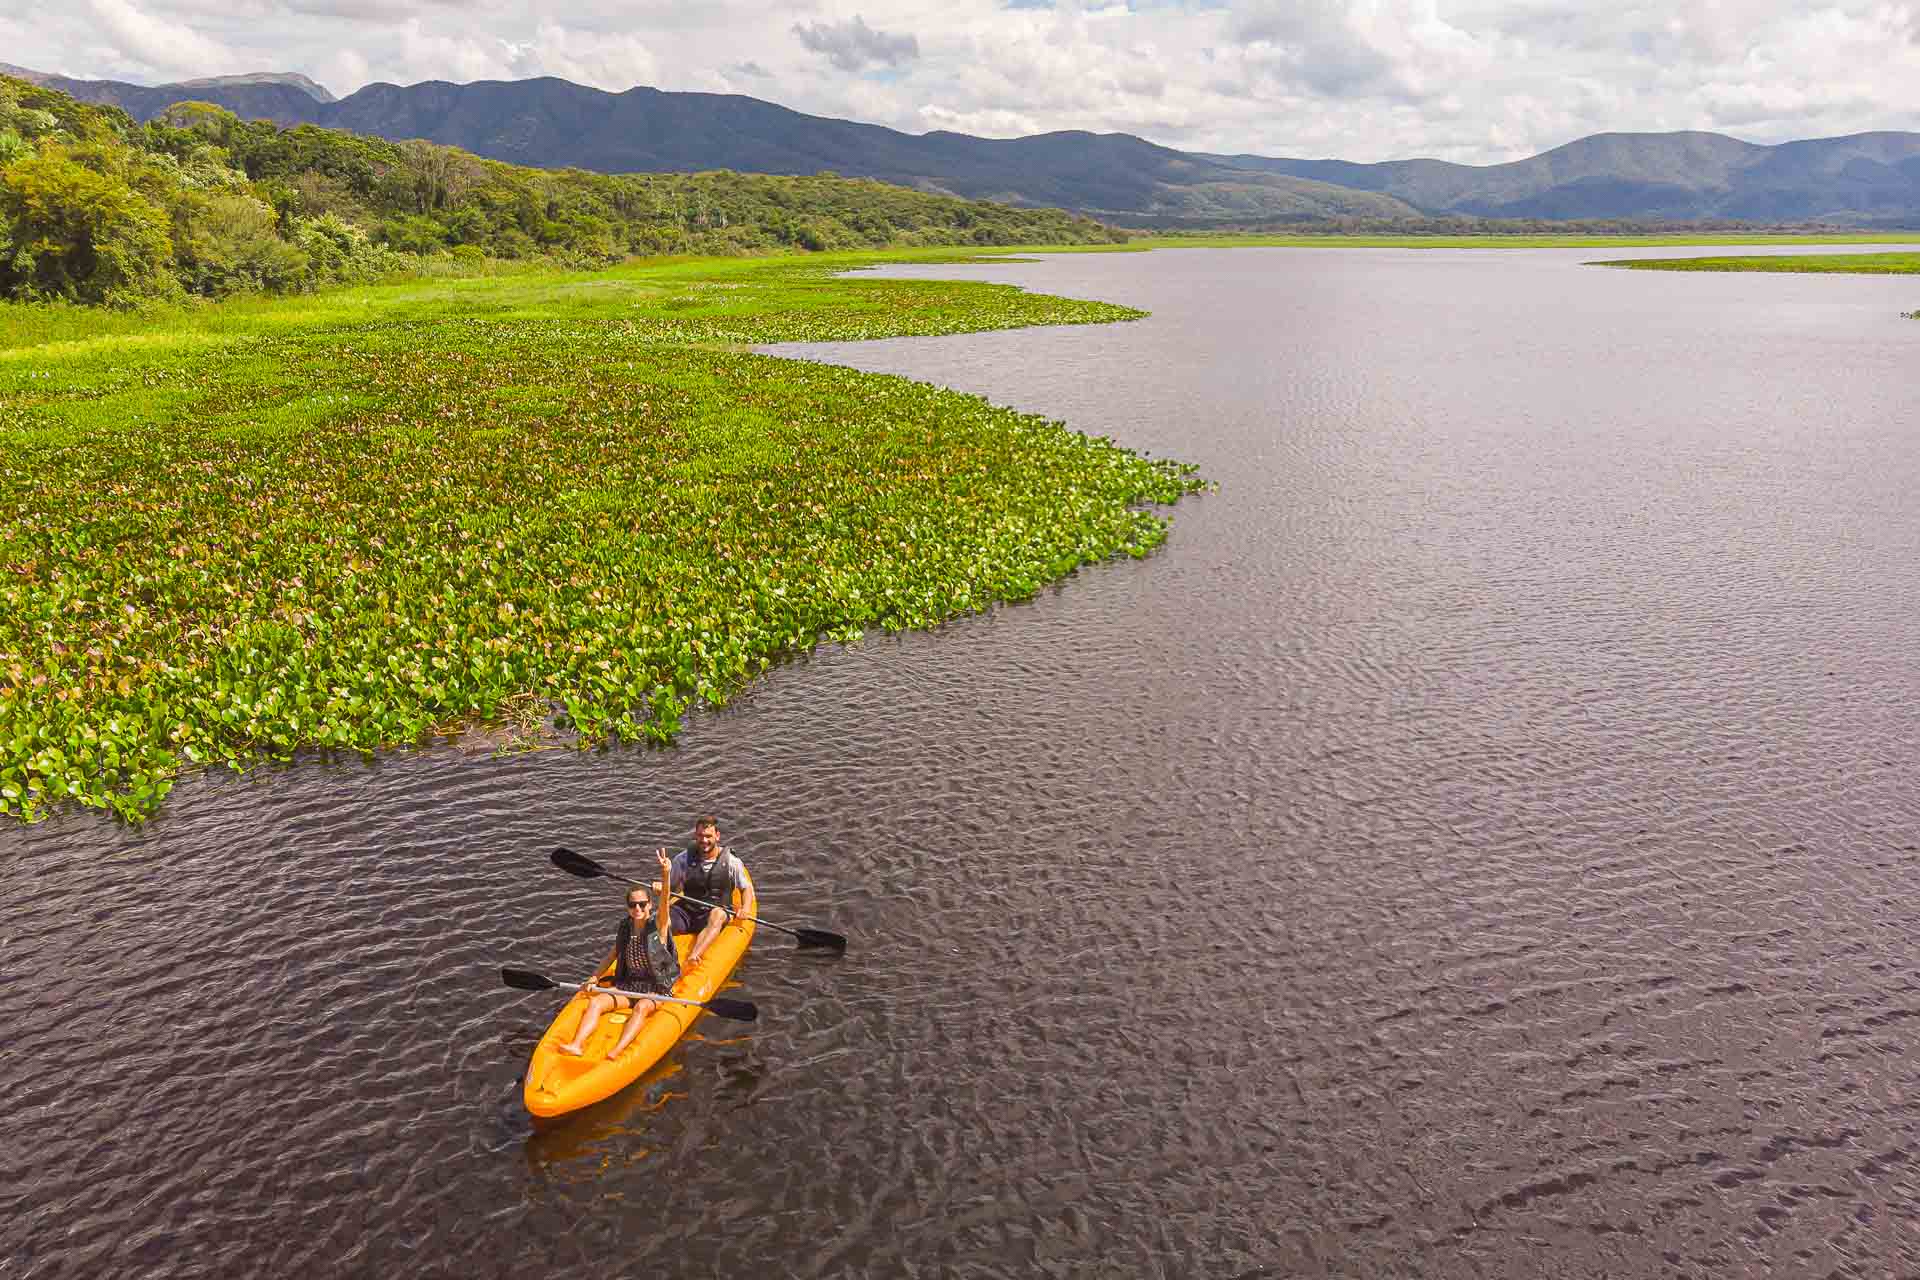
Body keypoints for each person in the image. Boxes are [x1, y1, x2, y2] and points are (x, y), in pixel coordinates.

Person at [556, 848, 680, 1061]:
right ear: (628, 908)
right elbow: (612, 954)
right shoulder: (625, 927)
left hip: (656, 988)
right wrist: (594, 976)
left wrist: (666, 873)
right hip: (628, 986)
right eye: (633, 905)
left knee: (641, 1008)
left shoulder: (658, 925)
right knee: (595, 1003)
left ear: (650, 905)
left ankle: (618, 1050)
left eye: (642, 904)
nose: (638, 908)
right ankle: (577, 1044)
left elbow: (665, 901)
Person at [667, 814, 757, 971]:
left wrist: (746, 908)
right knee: (662, 919)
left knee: (718, 914)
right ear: (695, 836)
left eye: (708, 836)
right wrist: (662, 889)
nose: (704, 840)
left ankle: (694, 956)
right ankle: (650, 955)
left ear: (717, 836)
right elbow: (671, 888)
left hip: (716, 910)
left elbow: (746, 888)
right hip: (688, 909)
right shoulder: (682, 860)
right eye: (700, 836)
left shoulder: (732, 862)